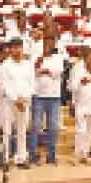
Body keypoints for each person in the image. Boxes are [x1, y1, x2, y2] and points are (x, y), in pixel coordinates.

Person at [0, 39, 34, 168]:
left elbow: (32, 84)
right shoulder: (4, 66)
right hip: (8, 102)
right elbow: (4, 85)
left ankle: (21, 159)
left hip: (24, 102)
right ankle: (4, 159)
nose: (17, 50)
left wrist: (24, 98)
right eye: (14, 47)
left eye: (19, 47)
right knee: (6, 131)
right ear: (10, 49)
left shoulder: (28, 65)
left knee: (22, 131)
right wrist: (16, 99)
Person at [29, 35, 65, 165]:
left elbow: (57, 73)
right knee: (36, 126)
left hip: (54, 97)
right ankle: (32, 154)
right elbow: (33, 71)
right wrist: (41, 59)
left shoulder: (59, 58)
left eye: (51, 43)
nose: (48, 46)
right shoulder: (36, 57)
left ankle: (51, 155)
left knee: (53, 127)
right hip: (38, 95)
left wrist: (45, 70)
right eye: (46, 43)